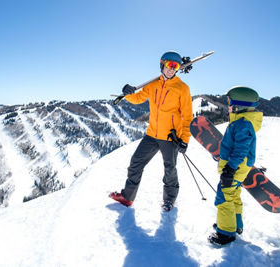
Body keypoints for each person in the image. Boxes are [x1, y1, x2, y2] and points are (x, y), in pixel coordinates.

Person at [109, 51, 193, 212]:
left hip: (171, 137)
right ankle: (127, 197)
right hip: (152, 134)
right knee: (135, 163)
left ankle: (169, 201)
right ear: (162, 65)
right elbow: (138, 98)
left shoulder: (182, 88)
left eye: (175, 66)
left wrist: (185, 139)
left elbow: (188, 117)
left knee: (170, 169)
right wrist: (128, 93)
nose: (172, 69)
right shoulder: (153, 84)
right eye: (169, 65)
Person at [208, 86, 263, 245]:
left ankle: (226, 233)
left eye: (230, 103)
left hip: (236, 167)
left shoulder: (243, 124)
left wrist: (230, 168)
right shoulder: (240, 122)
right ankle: (234, 224)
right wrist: (223, 157)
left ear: (239, 106)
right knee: (234, 193)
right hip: (236, 164)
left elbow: (241, 149)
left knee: (224, 196)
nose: (228, 106)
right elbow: (233, 145)